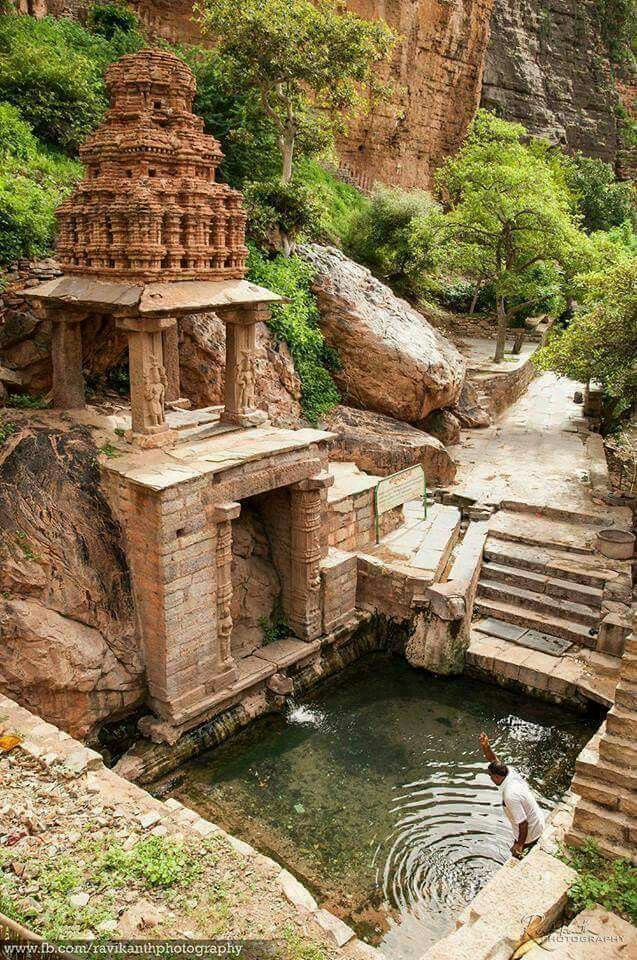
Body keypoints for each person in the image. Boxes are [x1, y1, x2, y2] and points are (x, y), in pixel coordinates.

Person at [479, 732, 545, 859]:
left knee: (516, 855)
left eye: (490, 775)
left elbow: (523, 823)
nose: (490, 777)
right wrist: (486, 747)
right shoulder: (509, 772)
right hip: (537, 820)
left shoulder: (510, 795)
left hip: (531, 833)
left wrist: (519, 845)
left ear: (497, 777)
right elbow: (493, 760)